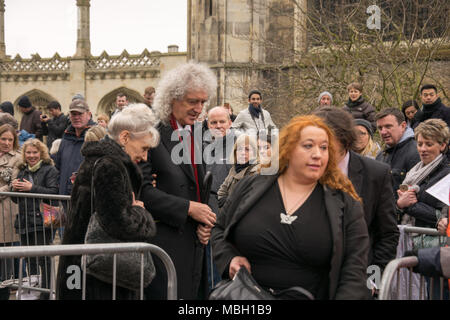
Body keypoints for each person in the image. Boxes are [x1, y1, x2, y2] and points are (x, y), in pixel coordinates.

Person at [211, 114, 370, 300]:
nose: (317, 154)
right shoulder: (251, 186)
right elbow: (219, 229)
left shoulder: (345, 203)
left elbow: (355, 270)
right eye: (308, 145)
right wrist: (229, 259)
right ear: (288, 149)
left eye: (324, 147)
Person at [56, 103, 159, 300]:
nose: (145, 156)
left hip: (85, 265)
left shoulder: (101, 160)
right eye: (144, 148)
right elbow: (119, 223)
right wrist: (140, 213)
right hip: (97, 274)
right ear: (125, 137)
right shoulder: (110, 165)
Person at [139, 61, 217, 300]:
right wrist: (189, 209)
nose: (199, 108)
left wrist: (207, 221)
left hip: (194, 244)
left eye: (203, 102)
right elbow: (142, 191)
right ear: (172, 99)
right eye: (193, 101)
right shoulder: (151, 134)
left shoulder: (195, 133)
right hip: (163, 245)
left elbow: (204, 187)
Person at [313, 107, 399, 295]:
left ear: (344, 140)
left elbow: (387, 233)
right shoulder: (307, 170)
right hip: (312, 280)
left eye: (325, 144)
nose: (318, 152)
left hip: (358, 280)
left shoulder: (376, 173)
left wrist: (373, 280)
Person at [11, 138, 59, 300]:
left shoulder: (49, 170)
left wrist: (32, 188)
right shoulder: (22, 171)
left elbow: (53, 193)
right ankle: (32, 293)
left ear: (41, 153)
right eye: (28, 152)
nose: (31, 155)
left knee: (44, 259)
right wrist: (14, 189)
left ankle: (46, 293)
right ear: (24, 154)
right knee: (30, 259)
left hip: (43, 222)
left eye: (35, 152)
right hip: (24, 222)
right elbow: (15, 200)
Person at [396, 118, 450, 228]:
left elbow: (443, 217)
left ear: (443, 145)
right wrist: (399, 204)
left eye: (429, 144)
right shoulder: (412, 172)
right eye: (420, 144)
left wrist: (411, 206)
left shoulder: (447, 175)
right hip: (408, 239)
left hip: (433, 242)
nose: (423, 149)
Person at [375, 108, 421, 197]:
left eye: (388, 126)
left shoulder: (417, 152)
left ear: (403, 126)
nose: (383, 132)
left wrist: (398, 207)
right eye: (380, 128)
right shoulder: (380, 155)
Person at [55, 99, 94, 196]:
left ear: (89, 115)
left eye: (80, 114)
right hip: (65, 197)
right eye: (73, 114)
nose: (76, 117)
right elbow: (58, 166)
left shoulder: (96, 138)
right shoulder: (66, 138)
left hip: (86, 198)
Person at [0, 124, 22, 300]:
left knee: (7, 249)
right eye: (3, 139)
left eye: (10, 140)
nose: (7, 143)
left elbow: (15, 181)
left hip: (6, 207)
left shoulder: (17, 158)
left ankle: (7, 287)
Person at [217, 134, 260, 208]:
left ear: (255, 152)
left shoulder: (257, 172)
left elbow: (251, 198)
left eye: (247, 149)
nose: (243, 153)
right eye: (240, 149)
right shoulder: (234, 169)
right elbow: (222, 191)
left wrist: (228, 201)